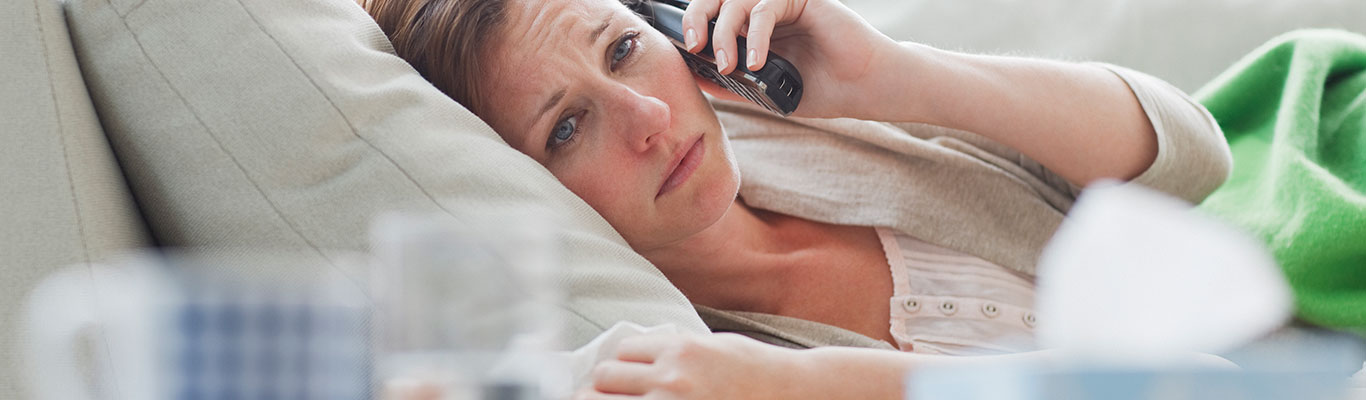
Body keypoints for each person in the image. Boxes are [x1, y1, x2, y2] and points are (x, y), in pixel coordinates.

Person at [363, 0, 1234, 398]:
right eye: (565, 128)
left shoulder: (793, 118)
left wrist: (899, 77)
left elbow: (1194, 159)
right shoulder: (692, 367)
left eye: (624, 49)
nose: (649, 118)